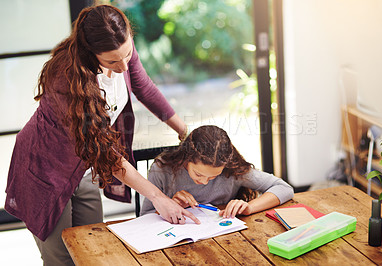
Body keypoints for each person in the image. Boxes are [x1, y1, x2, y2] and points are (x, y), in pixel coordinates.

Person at [4, 4, 199, 266]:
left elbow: (145, 88)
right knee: (62, 259)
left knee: (95, 249)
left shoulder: (122, 50)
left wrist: (184, 132)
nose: (122, 66)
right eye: (111, 61)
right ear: (90, 51)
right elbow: (104, 152)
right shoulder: (68, 78)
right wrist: (158, 197)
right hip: (44, 170)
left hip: (83, 169)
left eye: (127, 55)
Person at [140, 125, 294, 218]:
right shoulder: (163, 169)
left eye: (214, 176)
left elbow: (284, 188)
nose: (205, 181)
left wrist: (250, 208)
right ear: (186, 159)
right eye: (198, 174)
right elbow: (145, 217)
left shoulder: (233, 170)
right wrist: (170, 205)